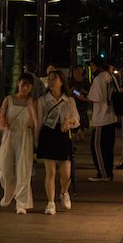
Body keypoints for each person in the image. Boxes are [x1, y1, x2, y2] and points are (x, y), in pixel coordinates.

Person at [0, 73, 39, 214]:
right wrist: (0, 121)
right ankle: (9, 192)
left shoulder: (33, 102)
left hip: (25, 135)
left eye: (28, 85)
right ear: (18, 84)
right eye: (23, 84)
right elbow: (0, 119)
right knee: (4, 167)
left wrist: (32, 109)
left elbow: (35, 125)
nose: (25, 88)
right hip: (9, 134)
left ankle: (21, 203)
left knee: (23, 170)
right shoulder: (9, 99)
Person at [37, 69, 79, 215]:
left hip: (63, 136)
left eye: (54, 78)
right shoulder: (43, 100)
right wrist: (36, 141)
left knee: (66, 174)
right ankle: (50, 203)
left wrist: (69, 121)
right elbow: (38, 121)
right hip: (48, 135)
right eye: (49, 78)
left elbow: (76, 120)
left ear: (61, 81)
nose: (51, 81)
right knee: (50, 172)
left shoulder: (69, 100)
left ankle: (64, 192)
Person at [86, 56, 118, 182]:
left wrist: (80, 96)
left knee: (97, 147)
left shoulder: (99, 79)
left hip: (101, 118)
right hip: (112, 117)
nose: (91, 68)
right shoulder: (111, 76)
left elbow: (94, 98)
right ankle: (109, 172)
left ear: (98, 66)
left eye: (92, 66)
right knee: (109, 147)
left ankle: (103, 173)